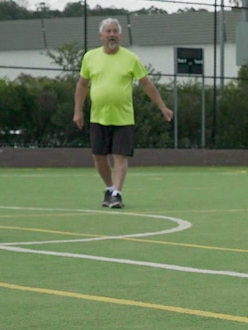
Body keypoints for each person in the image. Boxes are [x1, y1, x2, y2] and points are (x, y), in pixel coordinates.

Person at [73, 17, 173, 209]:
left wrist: (163, 106)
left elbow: (146, 84)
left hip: (123, 117)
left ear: (120, 35)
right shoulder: (90, 57)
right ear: (101, 36)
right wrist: (78, 110)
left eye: (115, 32)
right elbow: (82, 84)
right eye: (108, 31)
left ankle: (117, 194)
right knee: (99, 156)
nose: (112, 35)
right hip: (98, 117)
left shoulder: (131, 58)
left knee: (120, 156)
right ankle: (109, 188)